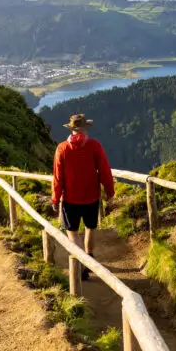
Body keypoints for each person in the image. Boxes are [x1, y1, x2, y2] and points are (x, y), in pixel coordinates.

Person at [51, 113, 115, 280]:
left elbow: (58, 177)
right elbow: (104, 170)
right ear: (85, 128)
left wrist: (55, 199)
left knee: (71, 233)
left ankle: (82, 263)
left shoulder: (62, 148)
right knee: (90, 228)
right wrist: (110, 192)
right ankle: (89, 256)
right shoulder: (94, 145)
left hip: (70, 198)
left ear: (71, 129)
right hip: (91, 196)